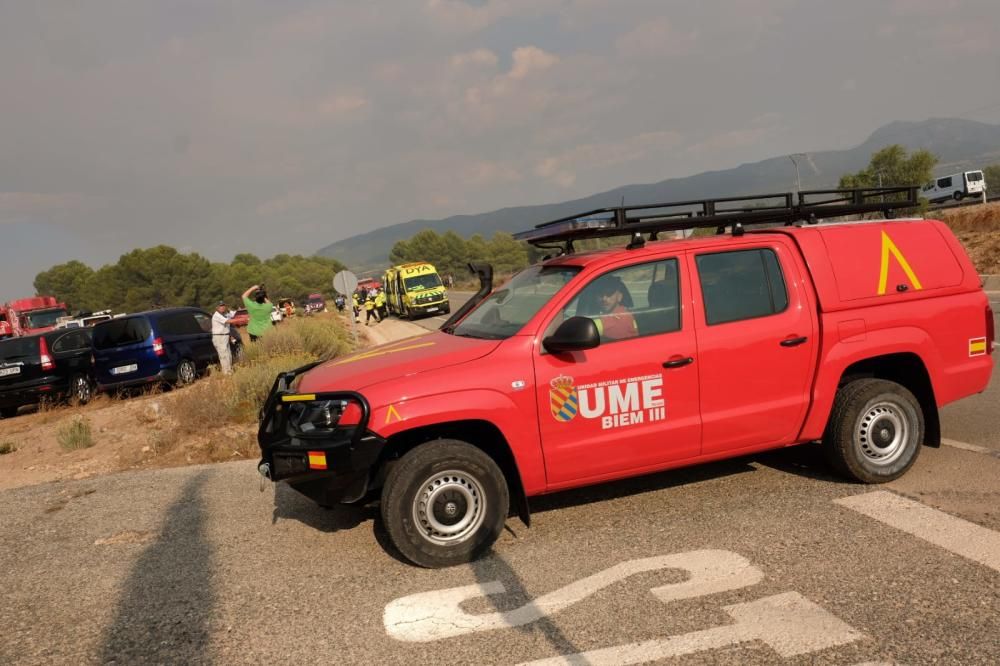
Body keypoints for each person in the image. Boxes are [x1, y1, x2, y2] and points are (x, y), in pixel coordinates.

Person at [593, 276, 637, 341]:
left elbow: (594, 327)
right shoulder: (624, 312)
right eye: (600, 294)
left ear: (619, 296)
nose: (604, 298)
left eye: (609, 293)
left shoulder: (621, 317)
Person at [211, 301, 233, 374]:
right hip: (219, 337)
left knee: (228, 355)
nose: (222, 307)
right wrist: (241, 320)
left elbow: (233, 315)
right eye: (220, 306)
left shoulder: (225, 314)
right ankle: (226, 373)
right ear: (217, 307)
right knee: (224, 356)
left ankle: (229, 371)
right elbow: (228, 321)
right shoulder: (217, 315)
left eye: (223, 305)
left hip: (225, 336)